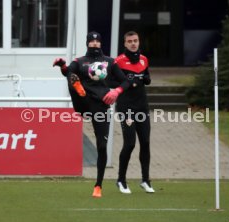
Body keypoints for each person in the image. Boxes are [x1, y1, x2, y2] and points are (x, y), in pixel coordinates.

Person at [53, 31, 129, 198]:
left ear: (101, 43)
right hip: (83, 101)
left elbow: (126, 80)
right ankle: (78, 89)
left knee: (102, 147)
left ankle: (98, 186)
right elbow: (68, 72)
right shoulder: (79, 61)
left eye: (97, 41)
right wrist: (63, 66)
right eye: (91, 41)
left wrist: (116, 91)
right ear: (87, 43)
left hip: (101, 106)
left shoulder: (110, 62)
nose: (94, 43)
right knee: (72, 79)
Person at [114, 31, 155, 194]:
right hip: (126, 107)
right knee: (130, 144)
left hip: (142, 107)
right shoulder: (118, 61)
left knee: (145, 143)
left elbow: (146, 77)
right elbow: (112, 81)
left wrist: (144, 79)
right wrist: (129, 81)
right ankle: (121, 180)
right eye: (129, 41)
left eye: (135, 41)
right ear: (125, 44)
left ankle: (145, 180)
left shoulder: (144, 59)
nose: (133, 43)